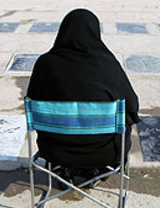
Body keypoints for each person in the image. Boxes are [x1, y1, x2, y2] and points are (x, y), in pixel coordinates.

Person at [26, 9, 140, 184]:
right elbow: (132, 108)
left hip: (55, 150)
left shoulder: (45, 64)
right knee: (123, 122)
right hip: (106, 152)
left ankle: (64, 169)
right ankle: (95, 172)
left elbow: (32, 100)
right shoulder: (108, 65)